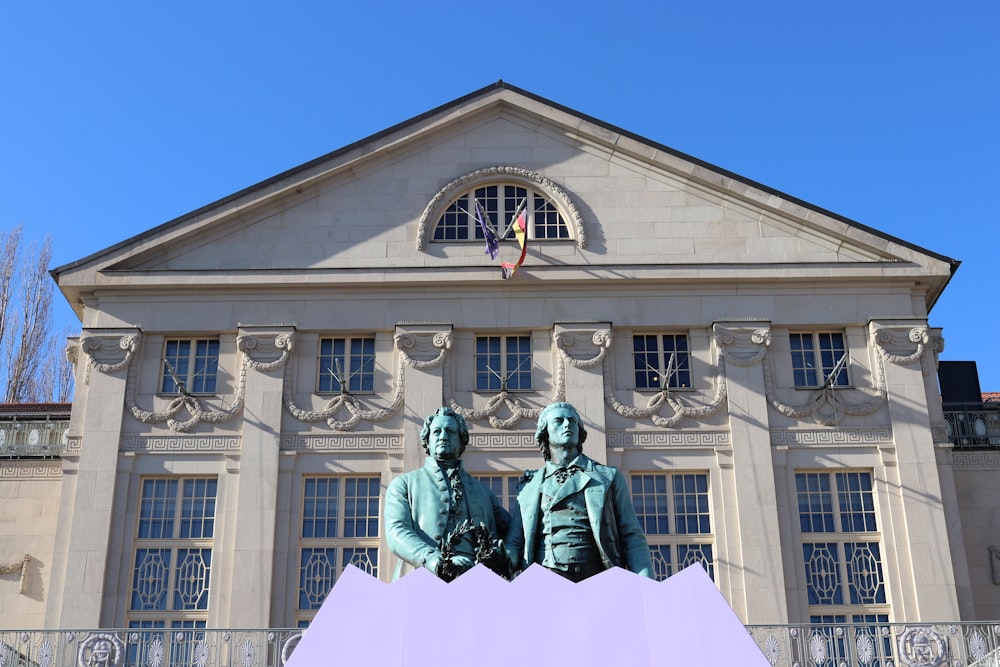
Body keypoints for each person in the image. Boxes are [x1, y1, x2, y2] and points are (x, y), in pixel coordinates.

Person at [506, 402, 654, 581]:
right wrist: (501, 557)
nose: (568, 424)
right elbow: (515, 542)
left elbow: (631, 536)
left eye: (573, 421)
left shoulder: (608, 477)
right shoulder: (528, 487)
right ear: (545, 432)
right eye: (559, 421)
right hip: (546, 581)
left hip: (596, 579)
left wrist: (647, 582)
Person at [385, 407, 511, 581]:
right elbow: (396, 531)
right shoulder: (404, 484)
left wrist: (532, 491)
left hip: (476, 582)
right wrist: (434, 559)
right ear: (427, 441)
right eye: (437, 431)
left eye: (450, 431)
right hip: (422, 578)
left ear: (461, 441)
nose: (443, 436)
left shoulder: (484, 493)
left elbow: (515, 534)